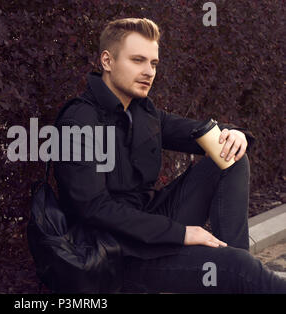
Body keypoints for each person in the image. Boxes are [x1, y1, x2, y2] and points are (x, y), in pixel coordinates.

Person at [53, 17, 286, 293]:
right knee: (238, 269)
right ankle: (234, 269)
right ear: (107, 61)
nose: (149, 72)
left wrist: (235, 134)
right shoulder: (79, 121)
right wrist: (182, 234)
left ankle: (232, 268)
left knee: (229, 157)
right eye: (138, 60)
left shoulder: (143, 111)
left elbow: (197, 131)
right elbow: (93, 209)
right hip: (114, 251)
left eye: (153, 63)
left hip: (150, 223)